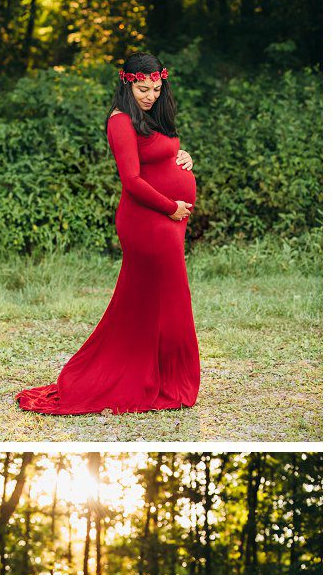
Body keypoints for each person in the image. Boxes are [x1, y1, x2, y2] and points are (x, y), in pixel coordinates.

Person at [16, 51, 201, 415]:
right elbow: (131, 180)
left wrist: (183, 157)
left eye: (156, 88)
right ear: (127, 85)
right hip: (148, 221)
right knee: (171, 303)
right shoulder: (120, 122)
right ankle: (162, 382)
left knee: (150, 305)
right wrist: (171, 206)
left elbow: (158, 154)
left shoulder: (151, 115)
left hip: (168, 221)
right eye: (143, 89)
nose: (150, 95)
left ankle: (162, 378)